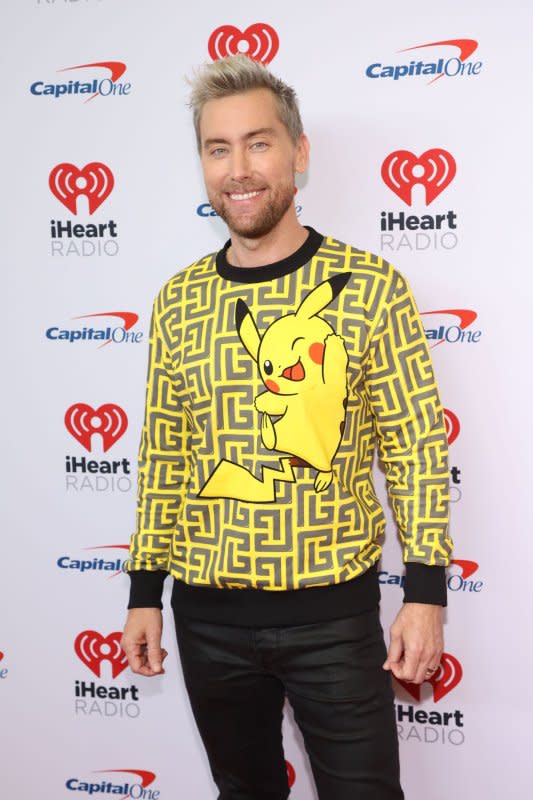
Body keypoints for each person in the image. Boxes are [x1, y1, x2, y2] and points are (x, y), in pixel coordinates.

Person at [121, 54, 452, 800]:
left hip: (332, 616)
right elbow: (166, 454)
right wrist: (145, 588)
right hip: (205, 615)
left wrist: (425, 593)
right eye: (217, 148)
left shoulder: (371, 287)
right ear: (202, 164)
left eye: (258, 143)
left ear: (298, 154)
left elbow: (415, 447)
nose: (238, 168)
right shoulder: (178, 302)